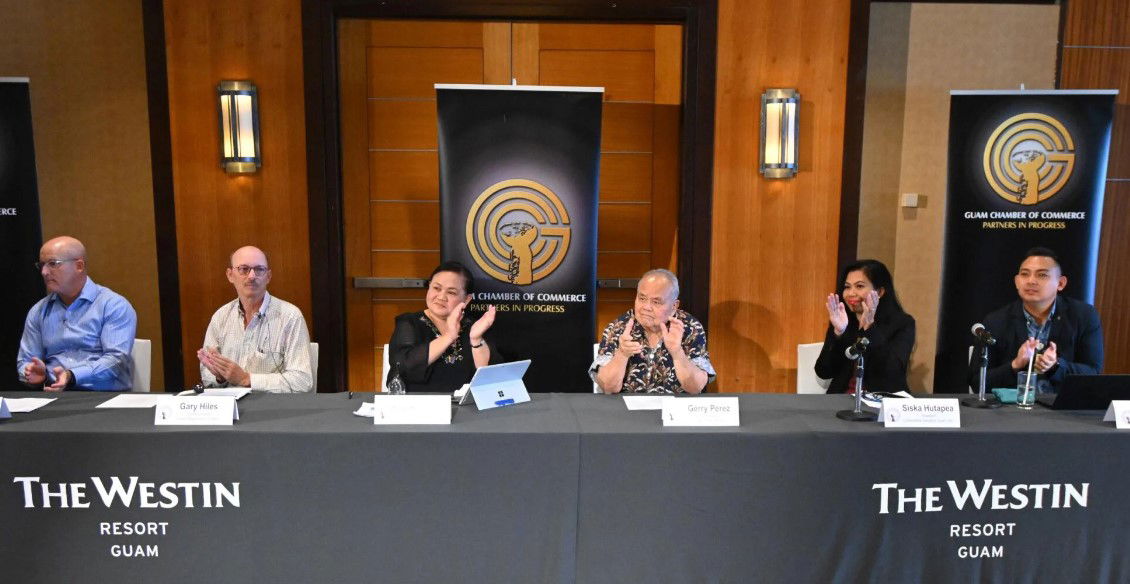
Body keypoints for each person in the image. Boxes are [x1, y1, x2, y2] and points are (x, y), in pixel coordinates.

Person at [967, 247, 1103, 393]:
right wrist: (1015, 365)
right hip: (1011, 411)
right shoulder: (996, 321)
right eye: (1025, 274)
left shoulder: (1083, 316)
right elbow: (977, 382)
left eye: (1042, 275)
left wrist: (1056, 366)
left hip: (1064, 410)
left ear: (1061, 283)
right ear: (1017, 282)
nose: (1031, 281)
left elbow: (1093, 373)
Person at [16, 236, 137, 391]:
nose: (44, 272)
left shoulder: (113, 305)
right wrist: (34, 374)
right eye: (42, 265)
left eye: (53, 264)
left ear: (79, 266)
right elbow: (25, 361)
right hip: (55, 396)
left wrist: (72, 376)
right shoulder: (38, 311)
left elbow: (116, 361)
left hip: (105, 397)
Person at [198, 246, 313, 392]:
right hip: (231, 408)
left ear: (268, 276)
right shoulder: (221, 317)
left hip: (273, 409)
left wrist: (246, 379)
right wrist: (220, 376)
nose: (252, 276)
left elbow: (302, 381)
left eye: (259, 269)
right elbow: (207, 375)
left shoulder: (290, 316)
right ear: (230, 275)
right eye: (244, 269)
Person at [591, 269, 714, 394]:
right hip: (627, 411)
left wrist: (677, 352)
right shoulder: (619, 327)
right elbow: (608, 388)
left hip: (674, 411)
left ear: (674, 306)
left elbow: (695, 388)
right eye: (642, 298)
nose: (646, 307)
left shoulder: (689, 328)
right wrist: (622, 354)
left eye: (656, 302)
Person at [387, 261, 498, 392]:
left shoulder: (474, 326)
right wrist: (449, 336)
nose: (441, 297)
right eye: (436, 288)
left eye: (451, 292)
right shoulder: (409, 322)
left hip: (467, 407)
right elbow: (404, 366)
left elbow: (491, 378)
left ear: (466, 299)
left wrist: (476, 340)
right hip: (419, 407)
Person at [815, 259, 915, 394]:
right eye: (847, 286)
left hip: (882, 403)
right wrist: (839, 334)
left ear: (879, 292)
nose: (851, 293)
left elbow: (892, 372)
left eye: (860, 286)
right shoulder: (843, 319)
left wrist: (869, 327)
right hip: (842, 402)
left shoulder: (902, 323)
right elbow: (823, 372)